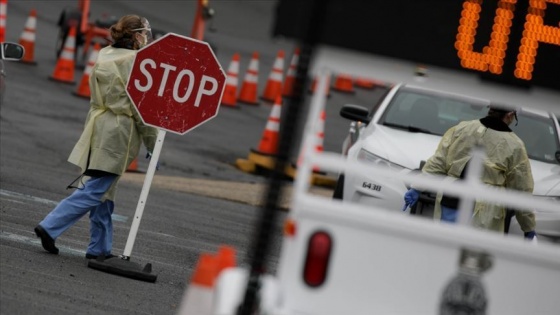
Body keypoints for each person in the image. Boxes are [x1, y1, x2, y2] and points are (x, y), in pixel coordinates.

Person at [34, 15, 158, 259]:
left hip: (99, 123)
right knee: (97, 188)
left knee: (104, 192)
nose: (146, 38)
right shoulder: (136, 61)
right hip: (119, 130)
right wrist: (153, 143)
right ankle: (49, 225)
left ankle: (99, 248)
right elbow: (141, 108)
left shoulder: (107, 54)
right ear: (135, 35)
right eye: (144, 33)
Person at [403, 105, 537, 240]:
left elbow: (438, 162)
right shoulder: (514, 145)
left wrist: (417, 187)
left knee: (445, 248)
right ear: (510, 115)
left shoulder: (462, 128)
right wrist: (528, 227)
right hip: (486, 212)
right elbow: (521, 189)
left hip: (451, 199)